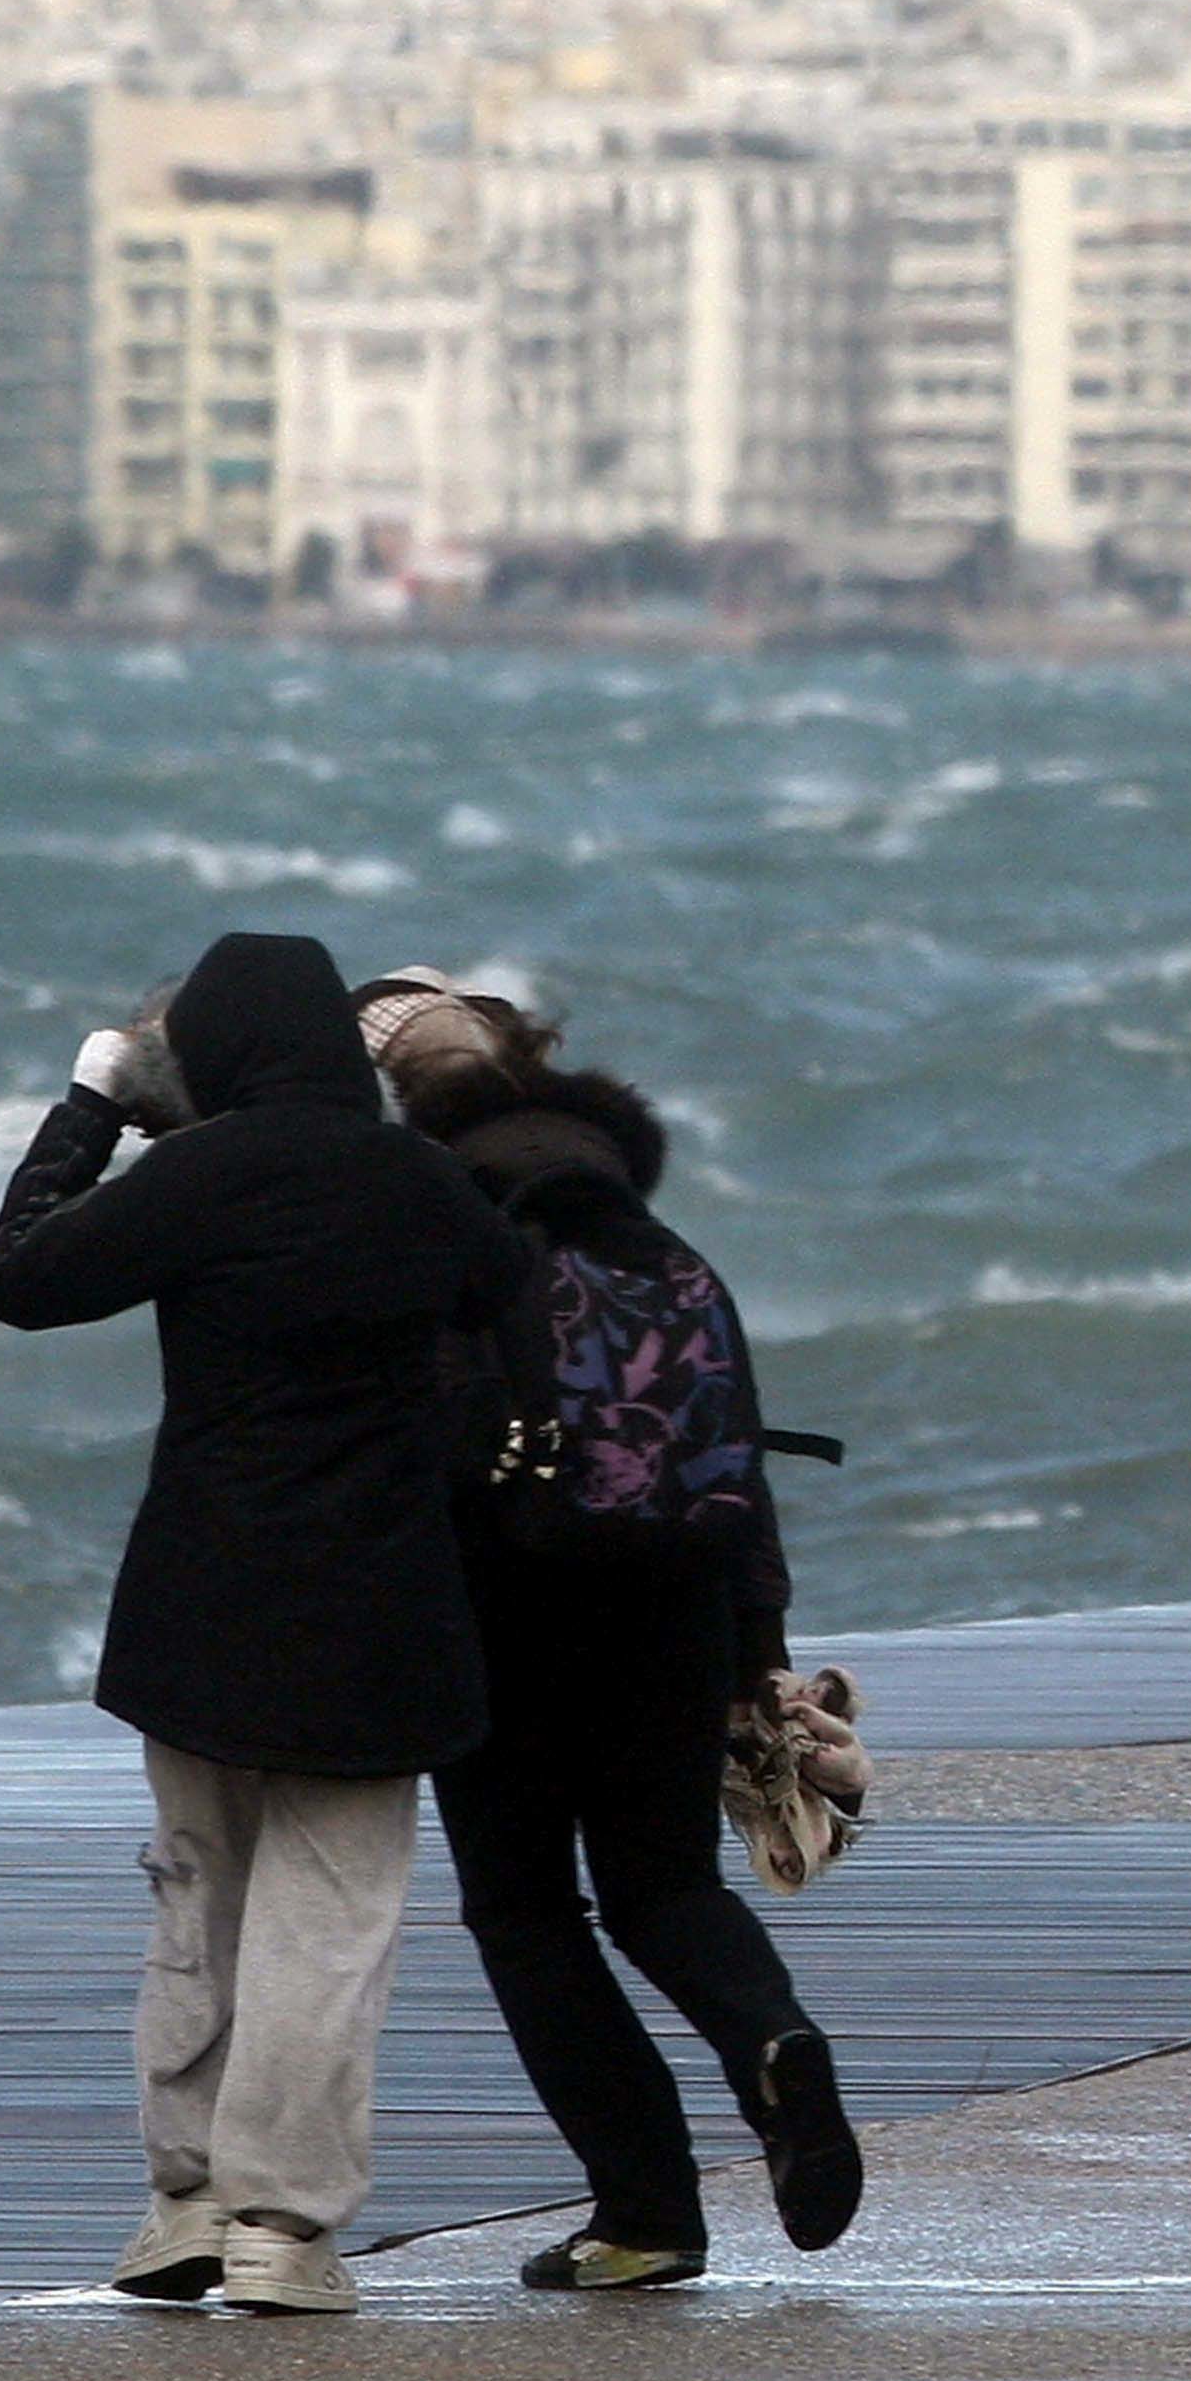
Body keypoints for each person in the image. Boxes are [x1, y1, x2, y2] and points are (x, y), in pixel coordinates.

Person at [0, 933, 527, 2319]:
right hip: (379, 1609)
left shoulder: (195, 1177)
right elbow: (513, 1311)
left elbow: (23, 1273)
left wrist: (95, 1099)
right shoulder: (423, 1183)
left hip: (201, 1599)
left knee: (197, 1895)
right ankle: (281, 2230)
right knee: (326, 1925)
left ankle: (181, 2200)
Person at [351, 966, 863, 2291]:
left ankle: (644, 2212)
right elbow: (733, 1468)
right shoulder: (665, 1246)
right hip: (678, 1603)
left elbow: (418, 1447)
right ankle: (776, 2044)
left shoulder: (440, 1230)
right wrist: (761, 1658)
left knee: (526, 1912)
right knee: (666, 1886)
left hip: (503, 1604)